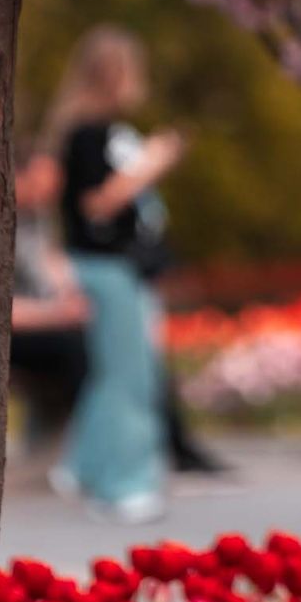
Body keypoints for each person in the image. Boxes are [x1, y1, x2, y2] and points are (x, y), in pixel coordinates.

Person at [49, 27, 185, 522]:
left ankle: (86, 465)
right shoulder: (88, 134)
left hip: (114, 267)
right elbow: (96, 204)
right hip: (106, 265)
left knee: (124, 371)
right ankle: (124, 480)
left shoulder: (95, 130)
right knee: (129, 376)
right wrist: (151, 165)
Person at [7, 148, 91, 441]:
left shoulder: (37, 220)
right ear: (18, 176)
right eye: (43, 183)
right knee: (77, 348)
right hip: (11, 334)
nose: (50, 193)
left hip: (44, 324)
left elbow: (53, 271)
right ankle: (86, 444)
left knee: (110, 340)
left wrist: (70, 294)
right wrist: (58, 314)